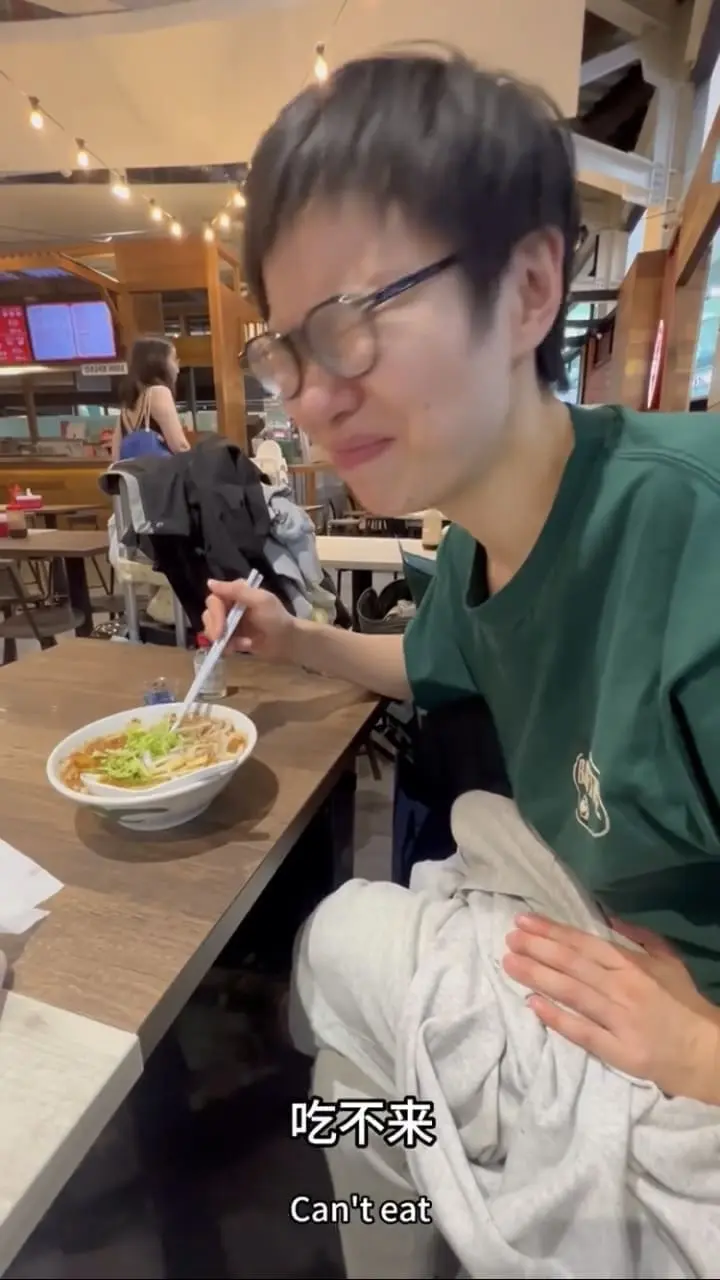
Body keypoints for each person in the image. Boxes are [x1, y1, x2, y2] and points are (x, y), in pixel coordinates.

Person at [203, 49, 720, 1273]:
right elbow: (426, 656)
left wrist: (701, 1052)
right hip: (586, 950)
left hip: (681, 1052)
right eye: (290, 349)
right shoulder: (481, 549)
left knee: (343, 945)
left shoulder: (691, 532)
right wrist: (294, 636)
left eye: (354, 321)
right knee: (347, 1081)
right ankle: (400, 1225)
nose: (312, 398)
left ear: (530, 286)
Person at [112, 335, 190, 461]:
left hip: (133, 473)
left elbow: (116, 456)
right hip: (160, 472)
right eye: (174, 359)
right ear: (158, 363)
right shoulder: (158, 392)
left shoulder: (126, 408)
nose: (177, 367)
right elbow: (179, 446)